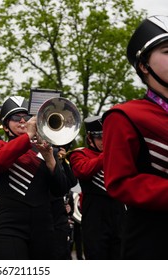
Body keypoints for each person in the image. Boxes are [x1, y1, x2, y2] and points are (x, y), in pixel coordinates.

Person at [103, 15, 168, 259]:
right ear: (144, 65)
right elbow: (120, 182)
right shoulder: (125, 115)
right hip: (153, 240)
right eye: (167, 51)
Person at [0, 96, 71, 259]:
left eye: (26, 117)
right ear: (5, 126)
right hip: (9, 226)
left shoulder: (44, 148)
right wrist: (28, 136)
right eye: (16, 118)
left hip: (43, 226)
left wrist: (50, 158)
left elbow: (60, 189)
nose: (23, 121)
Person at [69, 116, 125, 259]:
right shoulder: (79, 154)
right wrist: (108, 153)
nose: (104, 141)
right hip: (95, 215)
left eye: (107, 137)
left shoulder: (118, 154)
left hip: (118, 212)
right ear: (89, 138)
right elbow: (83, 171)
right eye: (100, 137)